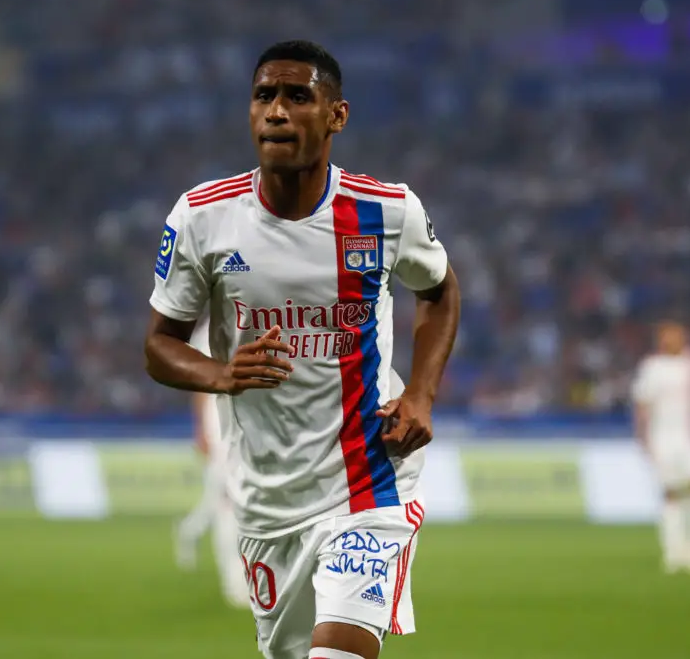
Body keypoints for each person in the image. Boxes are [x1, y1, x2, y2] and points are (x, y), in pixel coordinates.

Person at [144, 40, 460, 659]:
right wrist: (221, 374)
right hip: (267, 500)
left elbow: (440, 290)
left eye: (297, 96)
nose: (277, 111)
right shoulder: (202, 217)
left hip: (369, 481)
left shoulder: (385, 210)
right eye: (264, 96)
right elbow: (159, 346)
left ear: (337, 115)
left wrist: (421, 394)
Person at [631, 321, 690, 573]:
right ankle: (673, 550)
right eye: (664, 336)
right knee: (670, 492)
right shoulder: (652, 366)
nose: (668, 340)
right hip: (664, 436)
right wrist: (642, 437)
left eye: (673, 335)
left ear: (684, 336)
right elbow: (642, 403)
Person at [174, 311, 251, 609]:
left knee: (244, 503)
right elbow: (199, 383)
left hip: (255, 423)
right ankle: (234, 582)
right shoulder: (209, 332)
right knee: (228, 503)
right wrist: (201, 429)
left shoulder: (262, 316)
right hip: (221, 422)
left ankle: (251, 577)